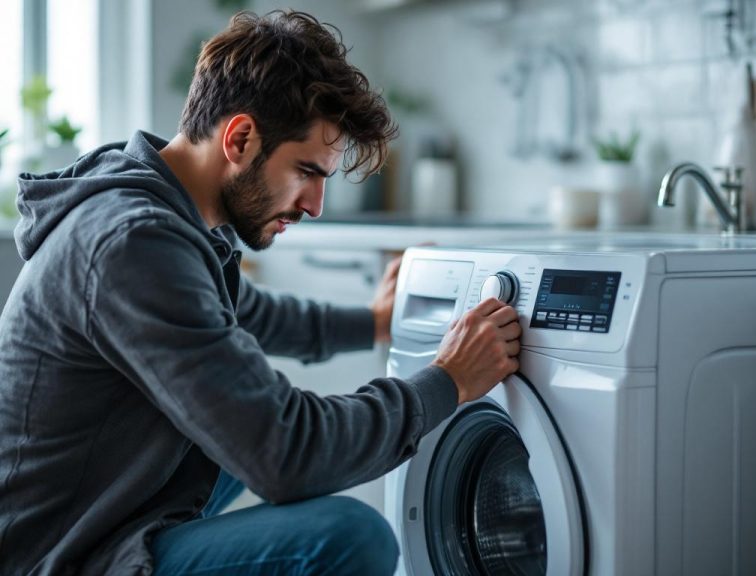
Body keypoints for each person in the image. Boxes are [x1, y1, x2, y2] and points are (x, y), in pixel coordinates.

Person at [0, 10, 521, 576]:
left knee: (232, 434)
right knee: (347, 535)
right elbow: (287, 455)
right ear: (241, 138)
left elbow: (251, 314)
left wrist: (373, 322)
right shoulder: (133, 241)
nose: (316, 205)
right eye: (307, 171)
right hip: (54, 556)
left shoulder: (157, 207)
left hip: (101, 512)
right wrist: (446, 383)